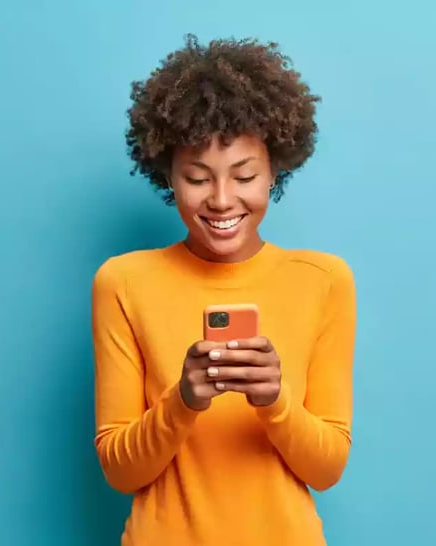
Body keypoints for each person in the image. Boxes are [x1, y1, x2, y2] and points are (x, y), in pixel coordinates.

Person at [91, 34, 356, 546]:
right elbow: (120, 473)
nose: (220, 200)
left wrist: (275, 401)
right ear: (166, 172)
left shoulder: (324, 281)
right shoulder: (123, 282)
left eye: (244, 175)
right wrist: (183, 400)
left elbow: (327, 469)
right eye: (196, 177)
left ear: (274, 170)